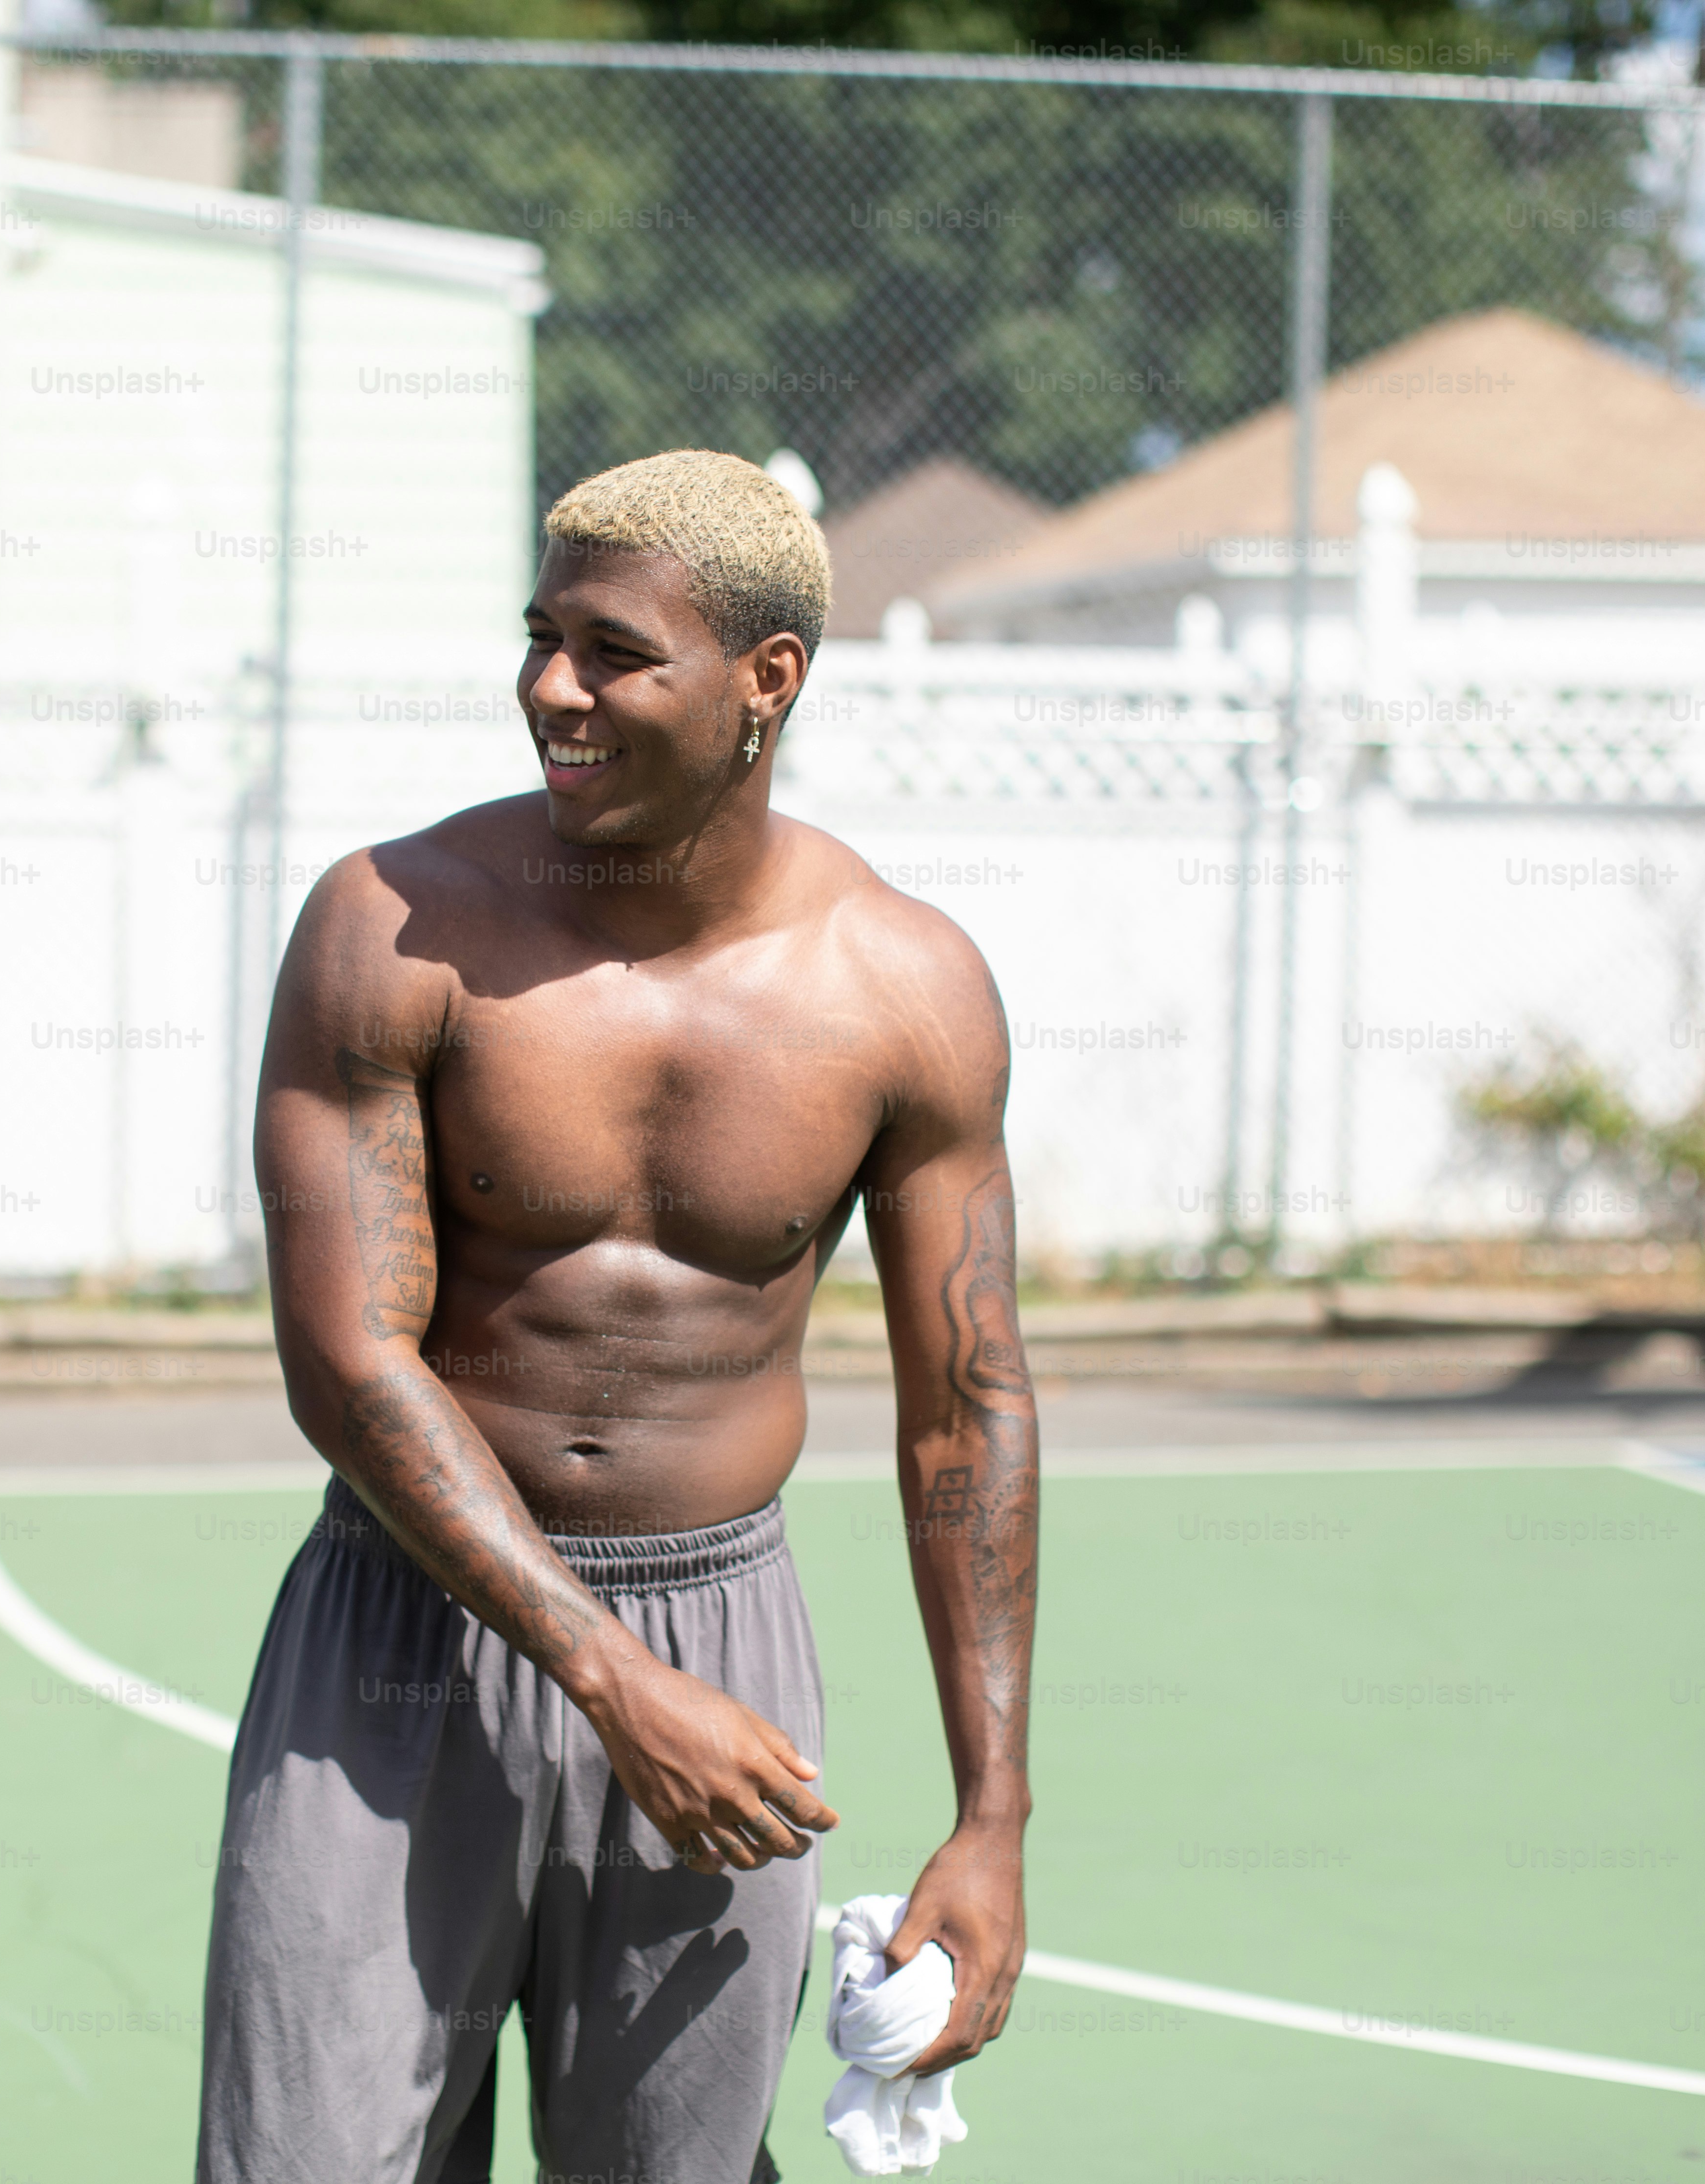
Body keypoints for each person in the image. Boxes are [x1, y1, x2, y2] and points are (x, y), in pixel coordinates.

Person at [197, 447, 1038, 2184]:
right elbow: (350, 1367)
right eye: (538, 638)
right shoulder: (393, 927)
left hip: (720, 1637)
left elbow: (969, 1406)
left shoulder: (906, 987)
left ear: (766, 682)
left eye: (611, 652)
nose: (548, 691)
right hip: (398, 1642)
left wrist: (991, 1818)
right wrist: (607, 1678)